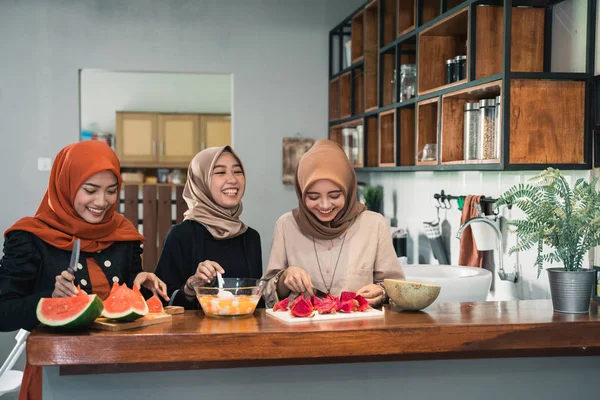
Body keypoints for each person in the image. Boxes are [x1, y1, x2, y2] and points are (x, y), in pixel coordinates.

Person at [0, 140, 168, 399]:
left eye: (111, 191)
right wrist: (50, 300)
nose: (102, 202)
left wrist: (141, 284)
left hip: (123, 371)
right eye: (90, 190)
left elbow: (126, 303)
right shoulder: (29, 237)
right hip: (56, 374)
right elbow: (3, 312)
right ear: (65, 184)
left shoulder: (124, 234)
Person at [261, 140, 405, 307]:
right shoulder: (286, 225)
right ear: (301, 193)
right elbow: (266, 294)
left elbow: (398, 288)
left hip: (360, 330)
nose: (324, 205)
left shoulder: (374, 224)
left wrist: (382, 292)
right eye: (313, 197)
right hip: (301, 331)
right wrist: (285, 278)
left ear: (349, 188)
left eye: (335, 196)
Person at [155, 146, 262, 309]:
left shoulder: (251, 237)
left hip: (243, 333)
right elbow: (162, 304)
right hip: (192, 334)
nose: (232, 179)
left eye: (238, 171)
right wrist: (191, 285)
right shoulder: (180, 235)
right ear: (200, 181)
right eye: (220, 172)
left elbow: (256, 303)